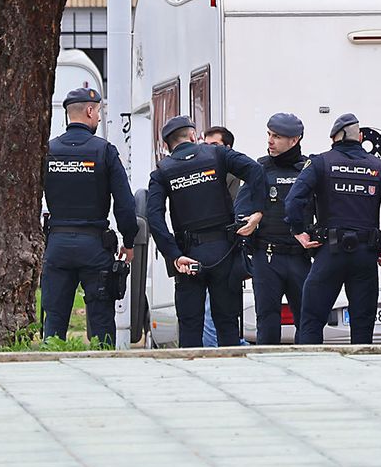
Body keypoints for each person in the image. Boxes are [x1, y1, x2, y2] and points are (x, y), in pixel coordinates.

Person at [285, 112, 381, 345]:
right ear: (361, 137)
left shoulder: (320, 162)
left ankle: (309, 372)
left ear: (335, 137)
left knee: (311, 322)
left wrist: (299, 233)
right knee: (363, 328)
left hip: (329, 254)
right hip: (366, 257)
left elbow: (293, 201)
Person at [145, 115, 265, 347]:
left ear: (166, 145)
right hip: (224, 252)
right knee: (228, 324)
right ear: (193, 136)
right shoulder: (217, 155)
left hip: (188, 256)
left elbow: (154, 218)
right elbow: (256, 170)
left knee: (190, 326)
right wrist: (257, 213)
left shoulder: (162, 172)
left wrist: (174, 255)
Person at [41, 86, 137, 347]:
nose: (98, 118)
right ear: (90, 110)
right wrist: (129, 242)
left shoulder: (48, 151)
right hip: (94, 247)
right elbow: (125, 205)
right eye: (98, 113)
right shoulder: (104, 151)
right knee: (101, 319)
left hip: (57, 245)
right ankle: (103, 365)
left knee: (54, 319)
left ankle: (50, 366)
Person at [250, 112, 315, 344]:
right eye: (269, 134)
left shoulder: (308, 169)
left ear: (294, 140)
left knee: (306, 322)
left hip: (299, 257)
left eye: (276, 136)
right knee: (267, 323)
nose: (269, 141)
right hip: (267, 256)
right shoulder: (259, 168)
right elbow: (243, 206)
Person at [200, 123, 246, 348]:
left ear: (227, 147)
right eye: (205, 145)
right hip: (208, 248)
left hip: (224, 250)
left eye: (214, 145)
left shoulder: (230, 175)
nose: (208, 150)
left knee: (215, 309)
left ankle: (214, 352)